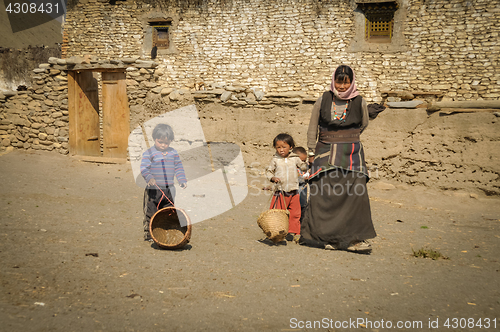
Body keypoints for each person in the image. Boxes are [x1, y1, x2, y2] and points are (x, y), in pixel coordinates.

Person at [300, 65, 376, 253]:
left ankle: (354, 241)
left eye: (346, 81)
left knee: (355, 195)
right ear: (333, 81)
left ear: (351, 82)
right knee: (325, 194)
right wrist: (311, 152)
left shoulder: (360, 102)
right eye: (338, 81)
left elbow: (363, 124)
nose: (342, 86)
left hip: (352, 155)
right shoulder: (323, 100)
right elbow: (312, 127)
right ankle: (326, 239)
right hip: (324, 153)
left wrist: (346, 138)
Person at [140, 123, 187, 242]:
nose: (162, 145)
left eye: (166, 143)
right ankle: (149, 235)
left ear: (170, 141)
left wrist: (182, 180)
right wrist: (149, 177)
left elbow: (179, 168)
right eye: (160, 142)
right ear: (155, 139)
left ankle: (166, 234)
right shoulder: (149, 153)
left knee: (168, 212)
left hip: (169, 189)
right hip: (153, 190)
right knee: (151, 212)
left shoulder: (173, 153)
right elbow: (144, 168)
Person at [265, 133, 307, 243]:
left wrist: (306, 165)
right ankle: (275, 232)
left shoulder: (295, 158)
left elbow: (303, 166)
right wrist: (273, 178)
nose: (281, 150)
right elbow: (269, 171)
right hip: (280, 191)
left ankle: (294, 232)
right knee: (278, 213)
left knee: (295, 213)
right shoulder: (275, 160)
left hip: (294, 191)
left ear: (291, 147)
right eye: (278, 147)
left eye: (284, 147)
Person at [292, 146, 310, 223]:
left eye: (305, 161)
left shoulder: (304, 167)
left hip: (303, 196)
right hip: (295, 195)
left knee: (303, 211)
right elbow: (293, 180)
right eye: (302, 160)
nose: (303, 163)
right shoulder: (292, 168)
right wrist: (303, 179)